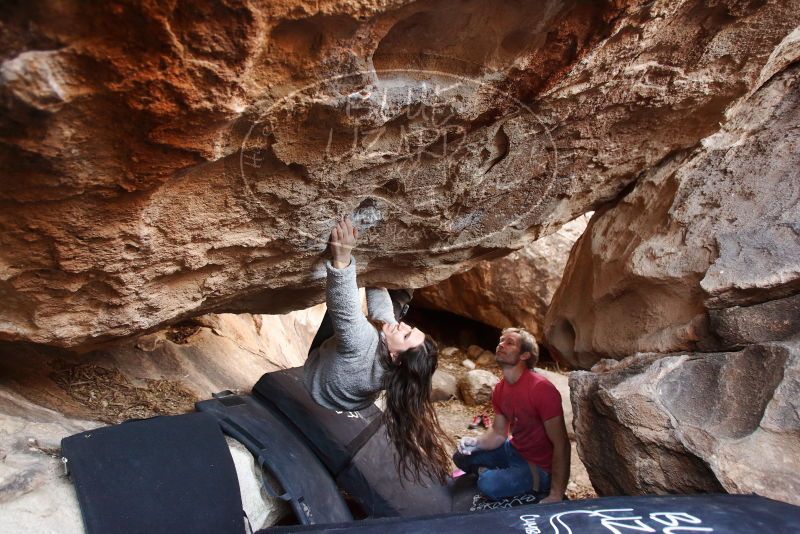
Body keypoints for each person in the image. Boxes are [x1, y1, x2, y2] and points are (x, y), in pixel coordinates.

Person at [304, 217, 451, 483]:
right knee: (394, 303)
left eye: (406, 334)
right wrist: (377, 277)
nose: (404, 326)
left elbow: (344, 306)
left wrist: (343, 255)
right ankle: (394, 290)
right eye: (410, 328)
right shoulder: (396, 369)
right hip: (346, 388)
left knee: (344, 317)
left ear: (396, 356)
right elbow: (386, 319)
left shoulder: (362, 344)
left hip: (318, 377)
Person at [453, 328, 570, 503]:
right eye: (501, 340)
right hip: (513, 449)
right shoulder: (500, 388)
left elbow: (562, 444)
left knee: (488, 484)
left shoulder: (541, 389)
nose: (501, 344)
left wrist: (556, 495)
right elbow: (499, 434)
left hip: (538, 466)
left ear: (524, 355)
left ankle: (506, 477)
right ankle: (494, 471)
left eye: (510, 343)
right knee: (461, 456)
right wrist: (475, 442)